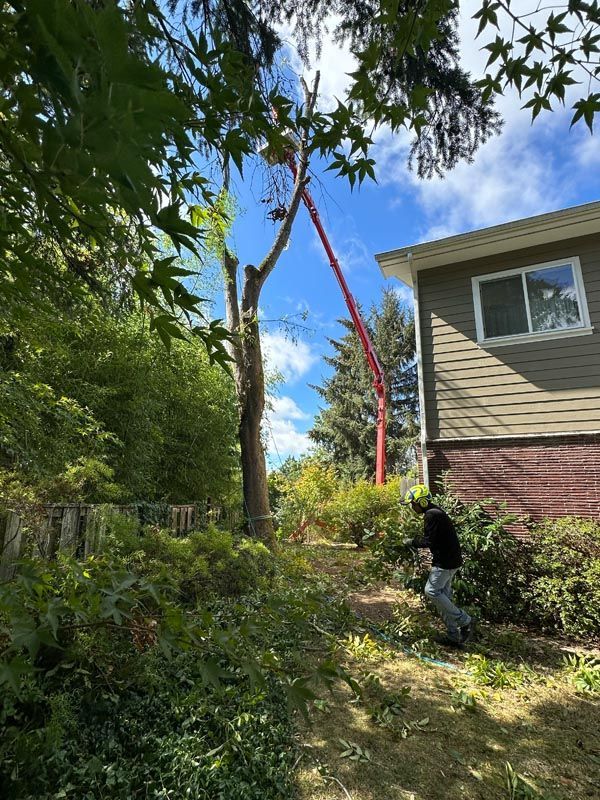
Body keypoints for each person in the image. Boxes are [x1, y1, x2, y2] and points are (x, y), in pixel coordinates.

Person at [401, 484, 472, 647]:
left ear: (422, 502)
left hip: (445, 562)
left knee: (431, 591)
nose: (412, 507)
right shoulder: (436, 512)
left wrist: (411, 542)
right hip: (451, 560)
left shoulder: (431, 515)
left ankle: (465, 620)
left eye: (413, 504)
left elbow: (429, 541)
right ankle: (454, 636)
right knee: (444, 597)